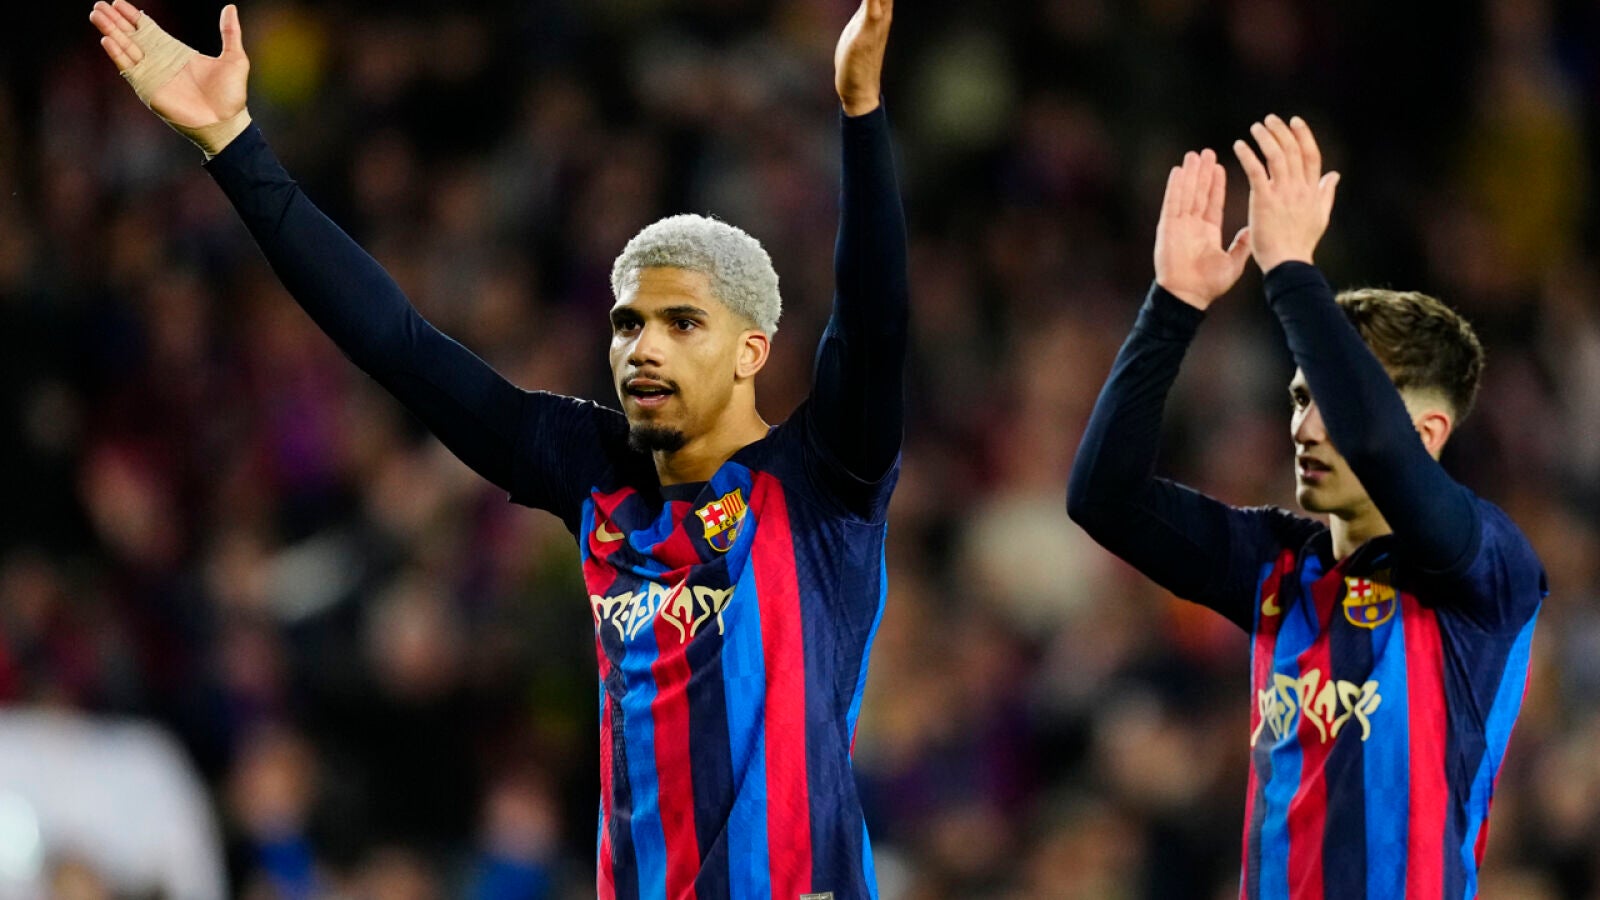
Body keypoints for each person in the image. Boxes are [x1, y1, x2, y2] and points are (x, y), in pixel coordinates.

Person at [88, 0, 907, 896]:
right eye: (627, 324)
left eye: (681, 323)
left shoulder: (821, 483)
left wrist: (860, 114)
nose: (644, 348)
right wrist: (233, 144)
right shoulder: (594, 474)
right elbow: (398, 346)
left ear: (752, 350)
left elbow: (872, 328)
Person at [1067, 115, 1547, 897]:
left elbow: (1380, 448)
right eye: (1298, 398)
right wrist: (1173, 305)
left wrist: (1290, 268)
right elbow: (1103, 498)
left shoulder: (1485, 570)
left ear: (1429, 433)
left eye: (1331, 401)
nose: (1305, 427)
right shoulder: (1276, 565)